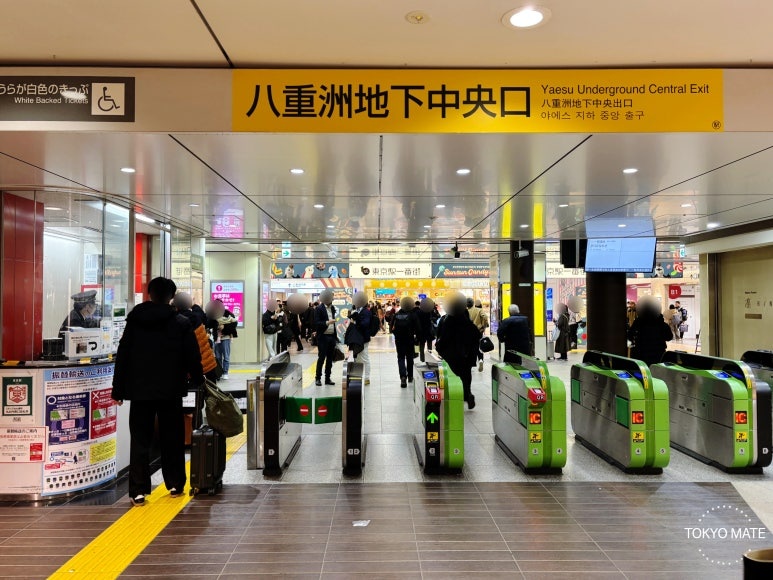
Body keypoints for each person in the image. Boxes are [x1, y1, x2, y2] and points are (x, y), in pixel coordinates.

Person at [111, 277, 203, 506]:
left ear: (150, 294)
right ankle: (174, 484)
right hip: (170, 389)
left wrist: (118, 389)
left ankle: (138, 491)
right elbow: (193, 356)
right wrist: (199, 379)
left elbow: (123, 355)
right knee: (172, 437)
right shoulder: (180, 322)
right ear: (171, 297)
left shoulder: (134, 321)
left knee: (140, 439)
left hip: (139, 391)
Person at [435, 292, 480, 409]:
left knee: (454, 375)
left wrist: (439, 348)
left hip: (452, 355)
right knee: (466, 374)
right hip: (466, 355)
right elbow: (477, 336)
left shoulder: (448, 321)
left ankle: (456, 395)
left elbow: (442, 337)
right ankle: (467, 393)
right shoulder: (466, 321)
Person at [173, 292, 219, 383]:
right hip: (207, 364)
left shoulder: (174, 321)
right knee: (207, 394)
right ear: (190, 304)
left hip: (186, 369)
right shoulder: (197, 317)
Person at [628, 297, 673, 366]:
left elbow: (630, 335)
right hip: (658, 355)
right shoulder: (661, 323)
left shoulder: (638, 322)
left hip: (640, 355)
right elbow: (669, 337)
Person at [392, 296, 420, 388]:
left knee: (400, 358)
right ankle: (410, 376)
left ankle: (403, 377)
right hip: (409, 340)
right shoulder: (413, 315)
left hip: (399, 340)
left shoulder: (396, 315)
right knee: (409, 358)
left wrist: (397, 335)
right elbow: (418, 328)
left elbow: (391, 328)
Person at [314, 289, 338, 386]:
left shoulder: (332, 308)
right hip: (323, 337)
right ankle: (318, 378)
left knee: (330, 359)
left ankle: (327, 378)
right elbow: (316, 323)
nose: (332, 298)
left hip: (332, 336)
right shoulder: (319, 309)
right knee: (321, 358)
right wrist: (327, 322)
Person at [348, 291, 372, 385]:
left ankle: (367, 377)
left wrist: (356, 321)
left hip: (363, 338)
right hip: (357, 338)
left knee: (364, 357)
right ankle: (359, 375)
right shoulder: (357, 310)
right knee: (357, 357)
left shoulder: (366, 312)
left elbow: (365, 324)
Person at [214, 300, 237, 380]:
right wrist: (217, 327)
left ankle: (225, 372)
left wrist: (224, 327)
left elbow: (234, 324)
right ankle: (219, 372)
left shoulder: (228, 313)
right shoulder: (212, 313)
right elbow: (209, 323)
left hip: (226, 337)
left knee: (226, 356)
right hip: (216, 338)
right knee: (218, 356)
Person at [468, 298, 488, 371]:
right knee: (479, 346)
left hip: (468, 333)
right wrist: (484, 326)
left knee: (469, 348)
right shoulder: (478, 310)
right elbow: (485, 317)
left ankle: (470, 364)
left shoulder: (464, 311)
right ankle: (480, 360)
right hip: (478, 331)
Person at [415, 298, 437, 362]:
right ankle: (430, 360)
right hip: (429, 332)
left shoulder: (418, 312)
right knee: (429, 348)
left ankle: (422, 361)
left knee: (421, 348)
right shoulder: (430, 311)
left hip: (421, 332)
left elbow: (416, 322)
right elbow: (435, 318)